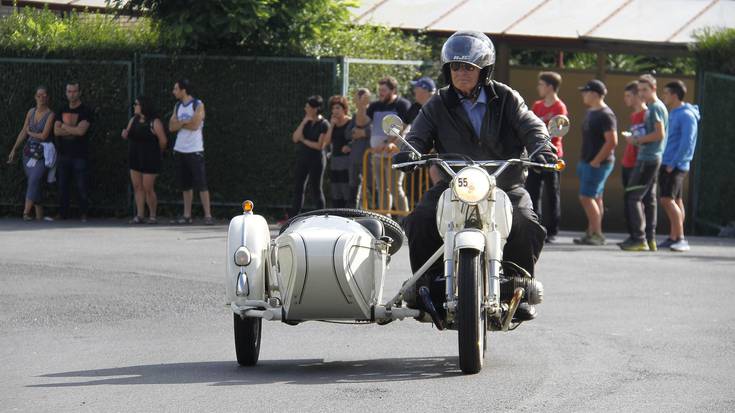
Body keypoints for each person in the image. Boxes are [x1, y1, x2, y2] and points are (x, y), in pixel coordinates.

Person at [403, 31, 556, 321]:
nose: (461, 73)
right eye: (456, 67)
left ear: (483, 71)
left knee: (525, 220)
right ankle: (427, 286)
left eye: (469, 67)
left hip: (504, 182)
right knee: (421, 218)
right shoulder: (438, 103)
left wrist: (541, 148)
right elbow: (418, 134)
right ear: (448, 70)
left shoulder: (507, 98)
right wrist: (408, 151)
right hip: (455, 183)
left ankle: (518, 287)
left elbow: (531, 126)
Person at [619, 74, 668, 251]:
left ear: (654, 88)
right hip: (651, 157)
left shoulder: (654, 107)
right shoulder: (655, 107)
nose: (642, 94)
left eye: (645, 90)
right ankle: (649, 238)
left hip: (648, 158)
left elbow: (659, 134)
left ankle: (639, 239)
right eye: (640, 90)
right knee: (648, 198)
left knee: (633, 196)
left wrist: (637, 140)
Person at [573, 80, 618, 246]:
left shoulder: (606, 114)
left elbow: (612, 141)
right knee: (596, 197)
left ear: (595, 94)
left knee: (586, 197)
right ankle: (591, 232)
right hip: (587, 161)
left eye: (586, 91)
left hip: (598, 164)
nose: (583, 95)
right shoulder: (591, 112)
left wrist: (596, 161)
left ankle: (598, 234)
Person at [526, 71, 568, 243]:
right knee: (533, 192)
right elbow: (529, 127)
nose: (539, 88)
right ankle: (535, 227)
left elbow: (558, 133)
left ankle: (552, 231)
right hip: (536, 155)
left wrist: (545, 143)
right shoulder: (537, 105)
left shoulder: (560, 107)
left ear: (550, 87)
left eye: (541, 84)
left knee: (552, 193)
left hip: (553, 156)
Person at [659, 80, 699, 252]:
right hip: (667, 162)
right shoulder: (673, 113)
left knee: (666, 199)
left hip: (676, 165)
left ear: (674, 95)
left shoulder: (686, 115)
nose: (664, 96)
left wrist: (673, 163)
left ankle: (681, 238)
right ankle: (673, 236)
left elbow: (687, 143)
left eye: (666, 93)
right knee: (676, 200)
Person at [6, 86, 55, 221]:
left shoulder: (50, 115)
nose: (41, 98)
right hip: (28, 153)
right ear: (35, 97)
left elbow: (44, 135)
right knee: (34, 181)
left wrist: (30, 132)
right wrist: (14, 149)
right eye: (39, 95)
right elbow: (23, 131)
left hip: (42, 154)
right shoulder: (30, 112)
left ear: (48, 98)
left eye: (44, 95)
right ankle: (39, 218)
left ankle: (26, 212)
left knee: (34, 179)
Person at [169, 79, 213, 225]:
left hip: (195, 150)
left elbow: (195, 125)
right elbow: (171, 126)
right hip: (180, 149)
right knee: (185, 185)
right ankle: (187, 215)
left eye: (176, 89)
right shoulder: (178, 105)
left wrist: (180, 123)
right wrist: (184, 122)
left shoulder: (198, 104)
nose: (174, 92)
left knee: (202, 184)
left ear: (183, 90)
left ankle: (208, 215)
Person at [367, 76, 412, 214]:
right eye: (379, 90)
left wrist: (388, 143)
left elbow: (403, 127)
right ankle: (385, 222)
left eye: (384, 90)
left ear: (393, 90)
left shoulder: (403, 104)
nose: (380, 93)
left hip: (395, 154)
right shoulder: (374, 106)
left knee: (395, 187)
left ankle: (405, 220)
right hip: (377, 154)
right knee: (382, 189)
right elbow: (366, 123)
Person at [121, 96, 168, 224]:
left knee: (148, 187)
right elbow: (128, 133)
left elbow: (163, 141)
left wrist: (156, 153)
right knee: (137, 186)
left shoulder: (154, 122)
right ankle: (140, 215)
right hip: (135, 156)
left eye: (136, 104)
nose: (134, 106)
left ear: (143, 106)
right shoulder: (133, 120)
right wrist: (125, 134)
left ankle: (153, 215)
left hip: (150, 158)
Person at [54, 81, 94, 222]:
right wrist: (73, 130)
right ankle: (63, 214)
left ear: (79, 92)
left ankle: (84, 214)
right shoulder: (61, 109)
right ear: (66, 93)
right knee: (62, 186)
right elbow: (56, 131)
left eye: (74, 91)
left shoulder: (86, 111)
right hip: (63, 154)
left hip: (80, 156)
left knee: (82, 186)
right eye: (69, 91)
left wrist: (65, 127)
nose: (72, 94)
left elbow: (81, 131)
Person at [289, 95, 329, 218]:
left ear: (315, 109)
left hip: (317, 160)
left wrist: (304, 140)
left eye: (308, 107)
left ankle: (322, 217)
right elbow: (295, 138)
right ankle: (294, 216)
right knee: (298, 187)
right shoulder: (306, 122)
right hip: (303, 159)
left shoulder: (324, 124)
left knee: (316, 188)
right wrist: (304, 122)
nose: (305, 109)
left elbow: (319, 145)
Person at [621, 81, 647, 237]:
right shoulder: (634, 115)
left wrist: (635, 140)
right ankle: (633, 235)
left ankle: (640, 235)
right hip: (628, 161)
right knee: (629, 199)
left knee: (636, 198)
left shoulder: (646, 114)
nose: (626, 99)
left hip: (639, 163)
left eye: (629, 95)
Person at [345, 88, 372, 208]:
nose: (355, 100)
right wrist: (355, 133)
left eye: (357, 97)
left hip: (368, 158)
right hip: (355, 157)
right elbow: (347, 134)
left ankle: (376, 214)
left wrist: (363, 132)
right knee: (353, 187)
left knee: (371, 187)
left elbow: (376, 131)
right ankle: (353, 214)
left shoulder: (372, 113)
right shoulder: (355, 116)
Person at [323, 95, 352, 208]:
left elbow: (355, 139)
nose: (335, 111)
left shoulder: (350, 122)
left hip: (347, 161)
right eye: (333, 108)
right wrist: (331, 126)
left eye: (338, 108)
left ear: (344, 109)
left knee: (346, 190)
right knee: (336, 190)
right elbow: (326, 141)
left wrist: (349, 146)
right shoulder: (333, 124)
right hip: (335, 160)